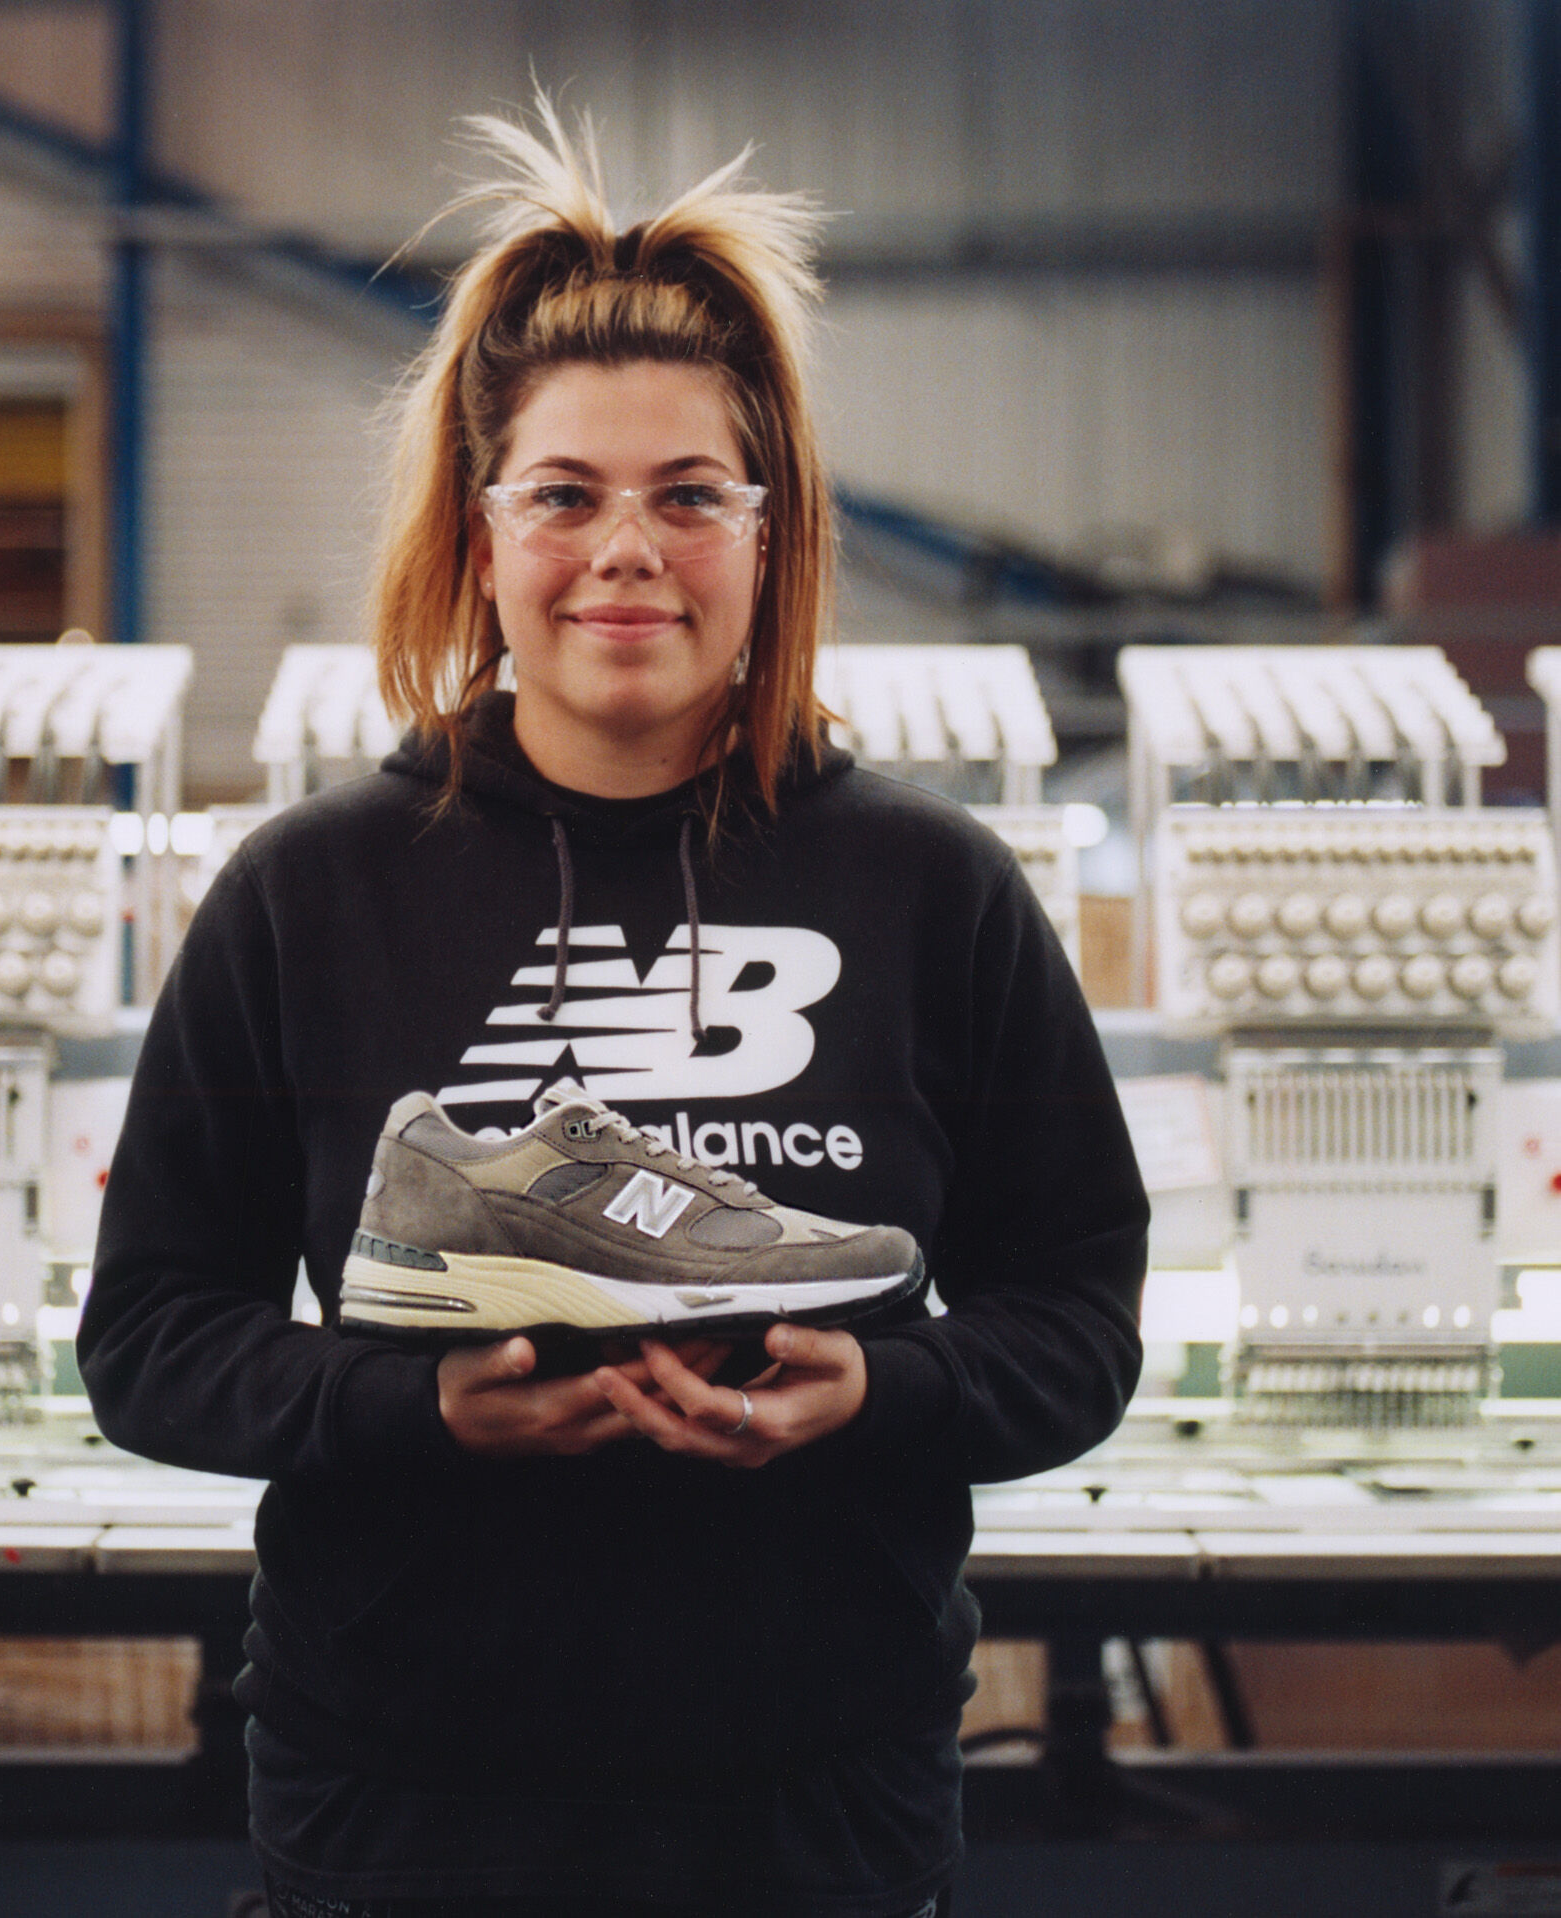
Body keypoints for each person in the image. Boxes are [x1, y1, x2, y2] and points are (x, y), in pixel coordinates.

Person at [79, 101, 1148, 1918]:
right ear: (481, 529)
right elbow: (152, 1337)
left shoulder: (934, 889)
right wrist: (421, 1411)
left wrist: (880, 1389)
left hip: (814, 1811)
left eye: (689, 495)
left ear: (767, 532)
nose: (627, 549)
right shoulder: (309, 891)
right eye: (565, 494)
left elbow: (1076, 1320)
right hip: (404, 1813)